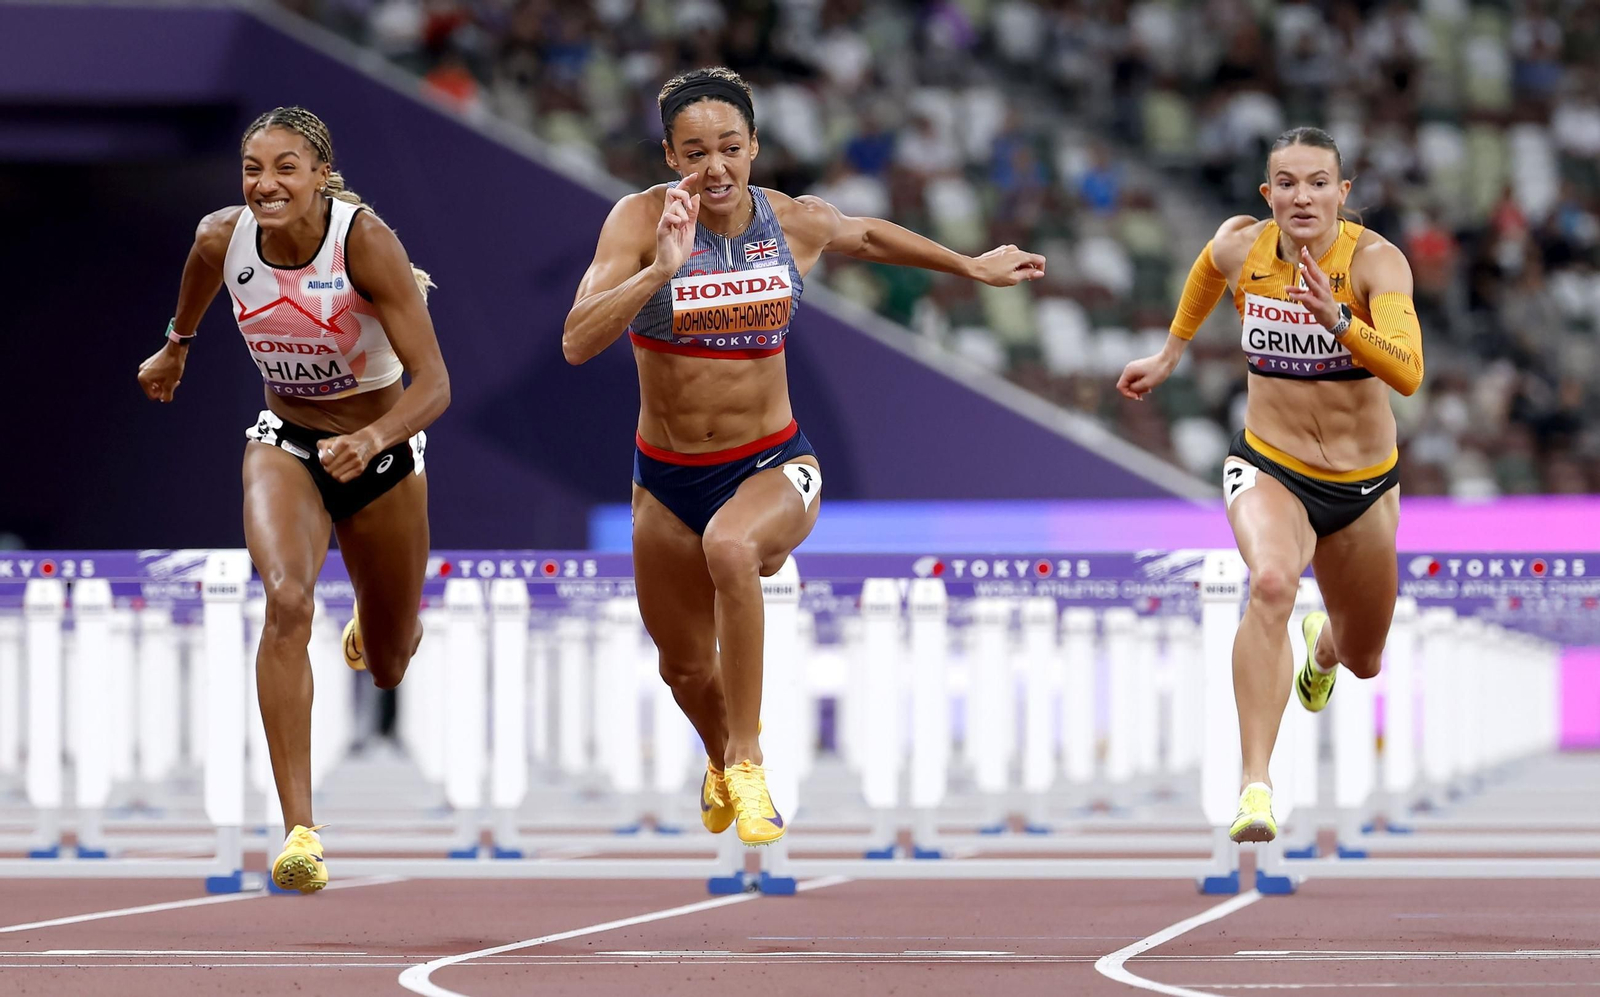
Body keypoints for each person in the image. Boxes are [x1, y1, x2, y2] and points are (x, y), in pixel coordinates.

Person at [564, 67, 1045, 845]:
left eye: (729, 147)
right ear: (667, 155)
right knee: (683, 669)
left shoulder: (791, 222)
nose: (714, 168)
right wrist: (660, 267)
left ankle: (750, 760)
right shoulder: (636, 222)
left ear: (754, 146)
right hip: (664, 479)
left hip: (775, 463)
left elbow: (867, 233)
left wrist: (970, 265)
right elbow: (577, 340)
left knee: (731, 546)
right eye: (694, 152)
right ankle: (721, 758)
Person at [136, 106, 450, 891]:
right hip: (287, 443)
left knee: (389, 662)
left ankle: (374, 628)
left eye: (284, 168)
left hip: (381, 453)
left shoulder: (366, 243)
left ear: (319, 173)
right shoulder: (223, 235)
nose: (265, 184)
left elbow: (436, 385)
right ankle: (299, 832)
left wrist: (374, 440)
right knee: (284, 601)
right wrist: (177, 345)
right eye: (251, 168)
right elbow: (200, 280)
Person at [1116, 126, 1424, 843]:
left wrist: (1338, 321)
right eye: (1287, 183)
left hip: (1363, 485)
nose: (1302, 196)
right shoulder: (1242, 247)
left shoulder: (1377, 263)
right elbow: (1205, 269)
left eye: (1318, 182)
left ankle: (1323, 651)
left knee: (1366, 657)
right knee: (1273, 582)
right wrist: (1169, 354)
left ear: (1342, 194)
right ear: (1268, 194)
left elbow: (1407, 371)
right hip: (1268, 461)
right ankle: (1256, 786)